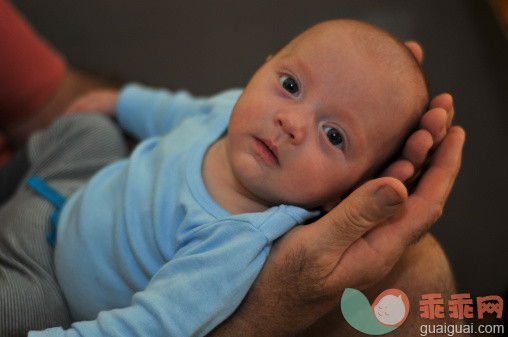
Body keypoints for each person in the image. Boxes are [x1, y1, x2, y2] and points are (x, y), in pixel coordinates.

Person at [0, 14, 464, 337]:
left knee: (16, 312)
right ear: (263, 66)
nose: (292, 121)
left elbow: (156, 326)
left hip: (48, 284)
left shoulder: (238, 241)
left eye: (335, 136)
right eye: (290, 85)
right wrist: (121, 102)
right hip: (63, 197)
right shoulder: (230, 109)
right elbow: (175, 110)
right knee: (91, 130)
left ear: (343, 197)